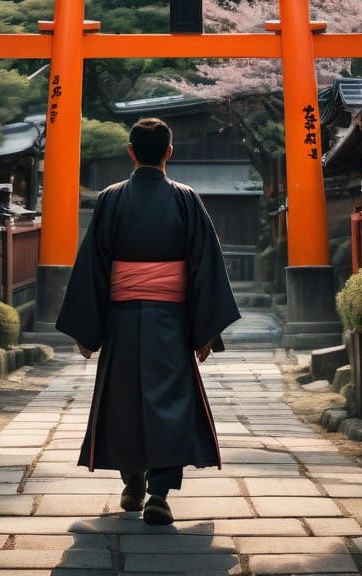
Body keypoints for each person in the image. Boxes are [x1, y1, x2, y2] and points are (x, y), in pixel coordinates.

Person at [55, 116, 240, 526]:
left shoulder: (109, 198)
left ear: (131, 152)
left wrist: (88, 329)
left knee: (124, 402)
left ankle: (133, 482)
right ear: (169, 152)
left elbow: (94, 266)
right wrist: (205, 329)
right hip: (171, 322)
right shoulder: (187, 199)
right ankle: (159, 493)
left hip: (122, 321)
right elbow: (205, 265)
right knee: (169, 403)